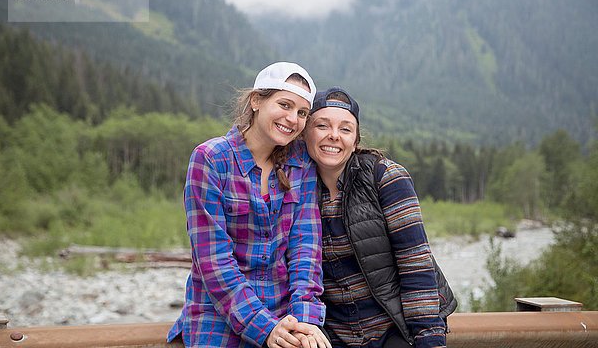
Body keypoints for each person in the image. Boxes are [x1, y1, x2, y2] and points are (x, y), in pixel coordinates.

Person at [167, 62, 331, 348]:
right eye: (284, 104)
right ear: (256, 101)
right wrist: (265, 328)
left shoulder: (300, 163)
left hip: (285, 314)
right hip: (216, 315)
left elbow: (306, 246)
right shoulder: (211, 159)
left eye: (302, 112)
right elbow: (213, 261)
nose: (293, 119)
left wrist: (305, 318)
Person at [302, 86, 457, 348]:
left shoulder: (385, 177)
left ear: (356, 140)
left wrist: (428, 338)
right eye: (322, 125)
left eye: (345, 129)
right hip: (334, 335)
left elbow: (415, 266)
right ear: (305, 133)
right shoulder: (296, 187)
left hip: (394, 327)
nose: (333, 136)